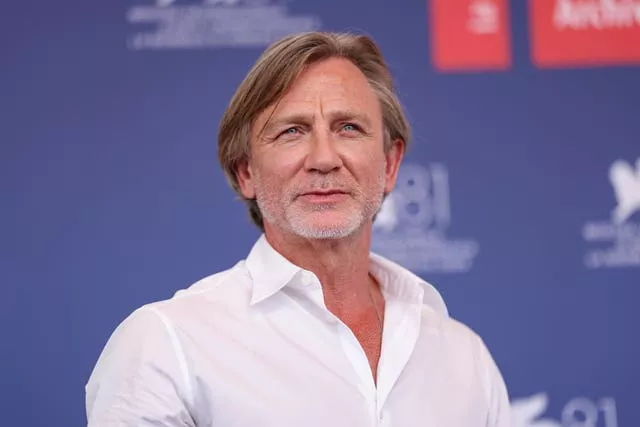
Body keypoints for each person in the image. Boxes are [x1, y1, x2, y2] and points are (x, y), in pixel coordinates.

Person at [85, 31, 511, 426]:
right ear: (246, 171)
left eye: (348, 128)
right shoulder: (165, 345)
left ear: (390, 164)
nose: (323, 158)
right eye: (292, 131)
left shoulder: (463, 356)